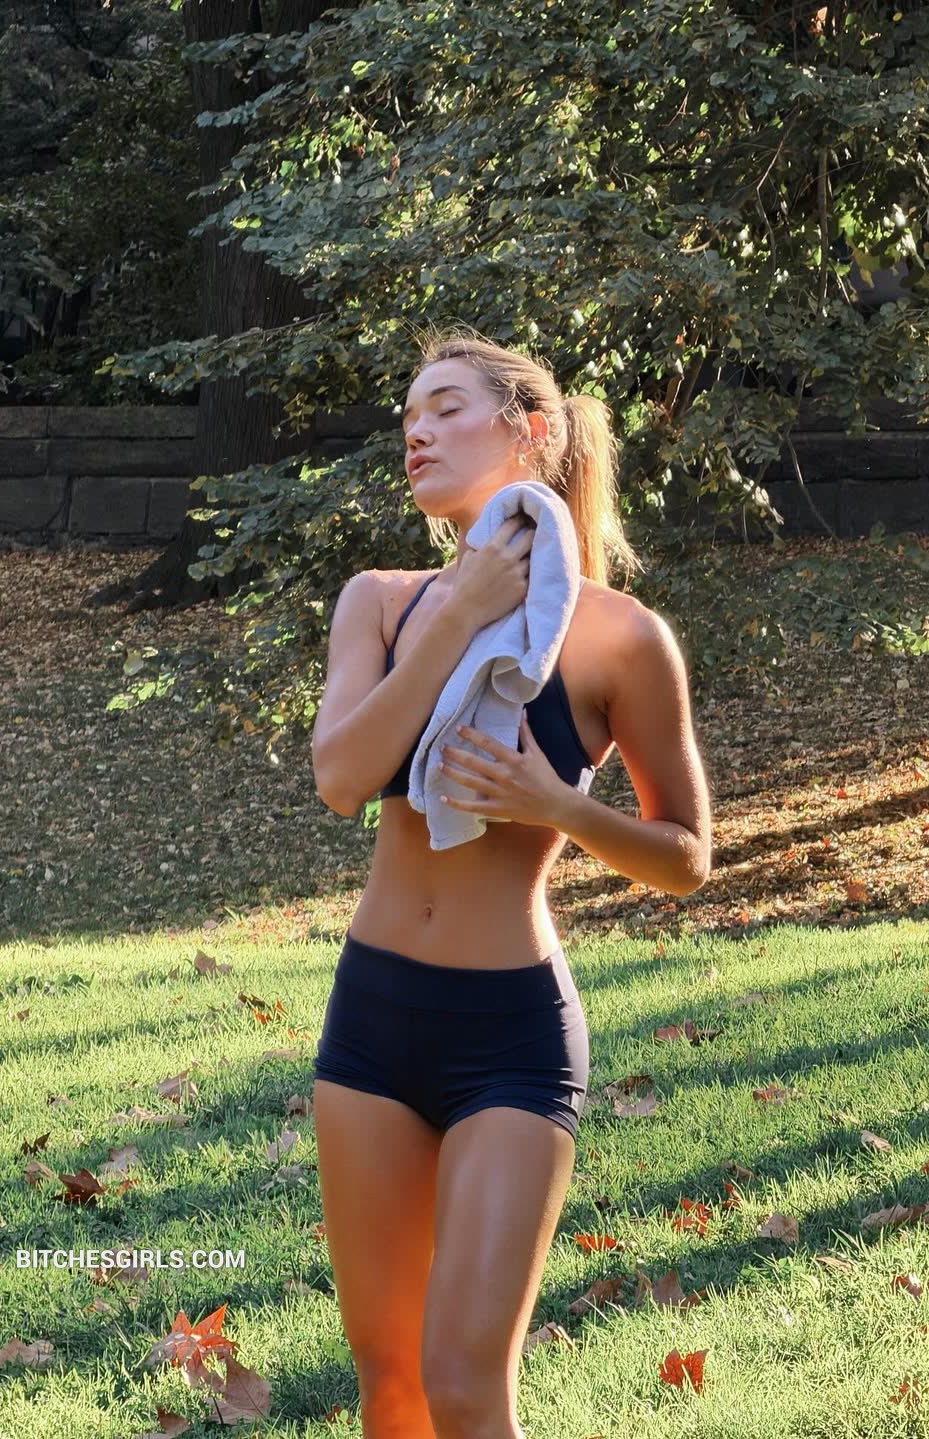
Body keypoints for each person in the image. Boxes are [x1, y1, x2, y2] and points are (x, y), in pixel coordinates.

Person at [309, 327, 713, 1439]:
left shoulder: (621, 638)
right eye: (407, 416)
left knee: (465, 1382)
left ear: (530, 432)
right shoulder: (382, 601)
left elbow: (687, 854)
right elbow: (342, 776)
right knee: (391, 1384)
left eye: (444, 407)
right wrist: (458, 612)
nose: (416, 431)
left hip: (511, 1036)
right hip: (372, 1020)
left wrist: (563, 807)